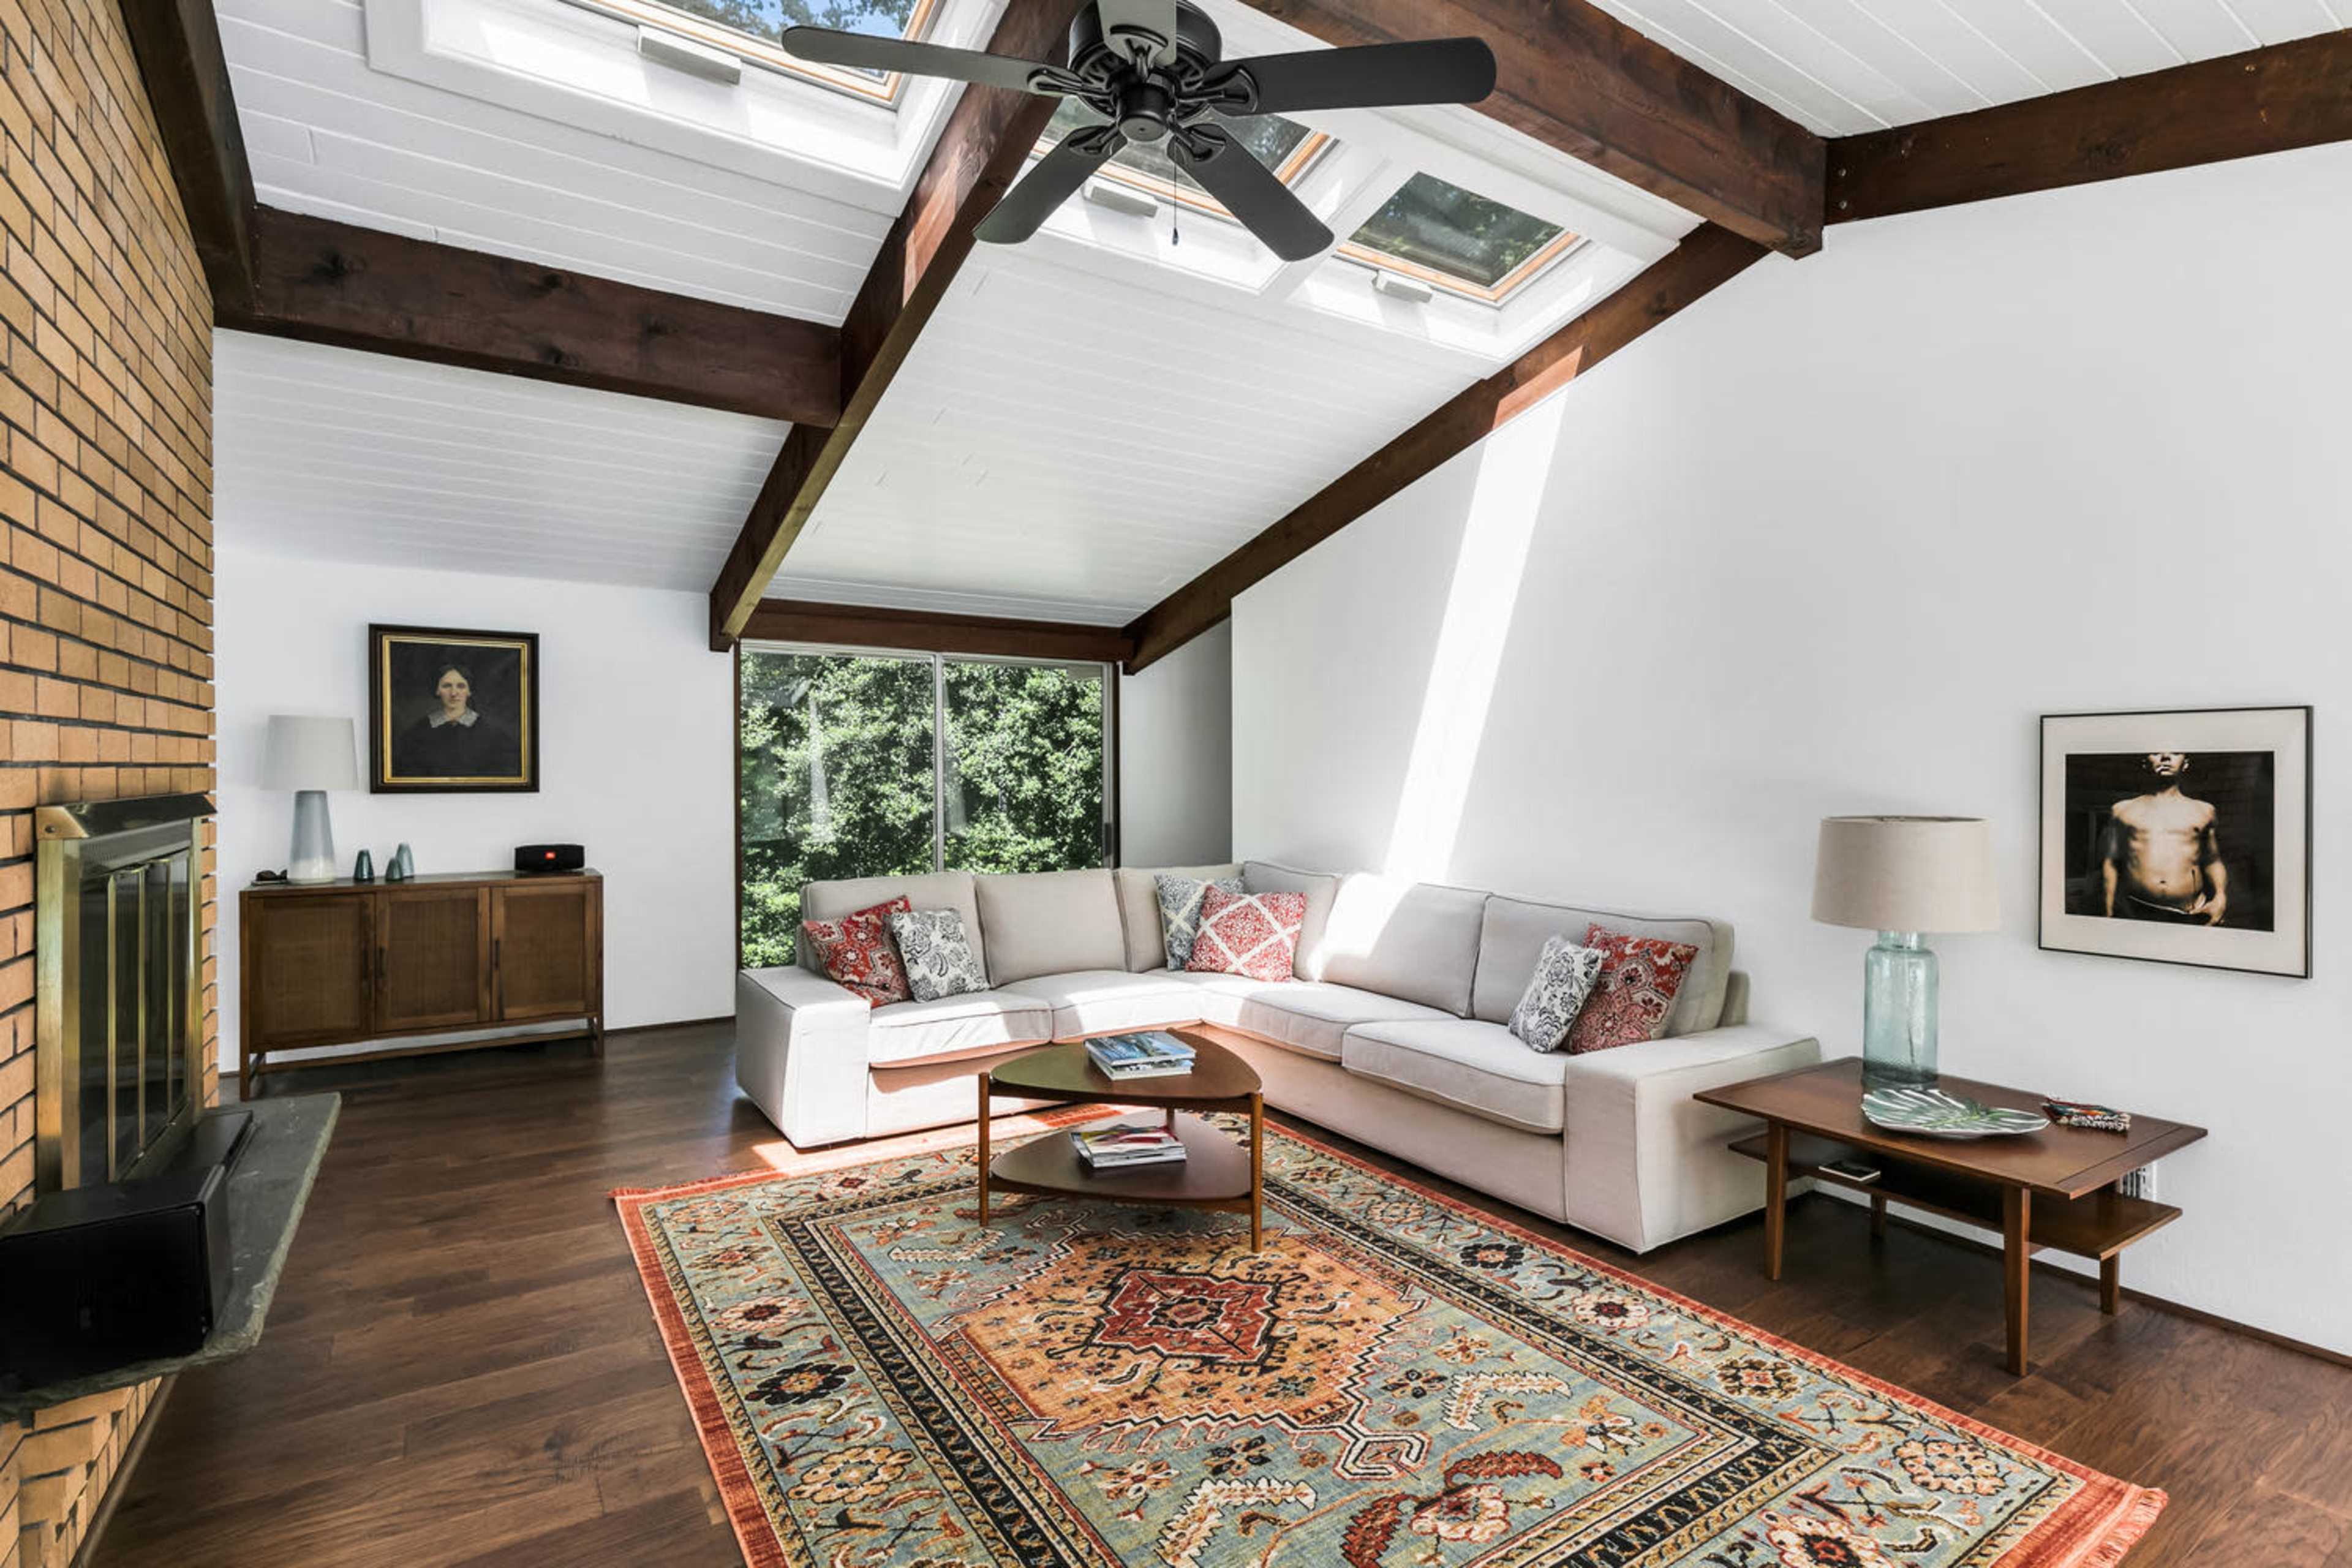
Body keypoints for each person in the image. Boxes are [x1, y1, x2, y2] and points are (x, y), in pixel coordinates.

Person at [2097, 752, 2226, 925]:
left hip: (2192, 913)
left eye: (2175, 753)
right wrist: (2108, 911)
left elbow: (2213, 860)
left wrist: (2220, 897)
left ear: (2185, 764)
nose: (2166, 757)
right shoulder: (2122, 810)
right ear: (2145, 763)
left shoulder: (2204, 811)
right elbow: (2111, 862)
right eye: (2156, 752)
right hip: (2136, 910)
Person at [392, 661, 519, 780]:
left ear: (469, 692)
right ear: (437, 690)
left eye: (461, 686)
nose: (454, 693)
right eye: (447, 686)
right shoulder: (416, 733)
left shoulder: (494, 735)